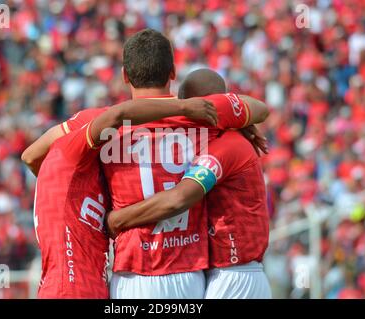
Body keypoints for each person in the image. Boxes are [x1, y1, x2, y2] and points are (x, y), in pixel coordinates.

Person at [100, 29, 269, 299]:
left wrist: (113, 220)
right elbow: (260, 108)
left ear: (124, 75)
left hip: (133, 272)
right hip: (190, 272)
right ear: (173, 72)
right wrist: (241, 121)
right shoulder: (203, 115)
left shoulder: (104, 127)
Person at [28, 96, 218, 298]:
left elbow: (30, 157)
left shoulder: (88, 181)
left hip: (95, 285)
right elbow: (117, 115)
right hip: (68, 287)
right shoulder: (68, 151)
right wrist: (184, 107)